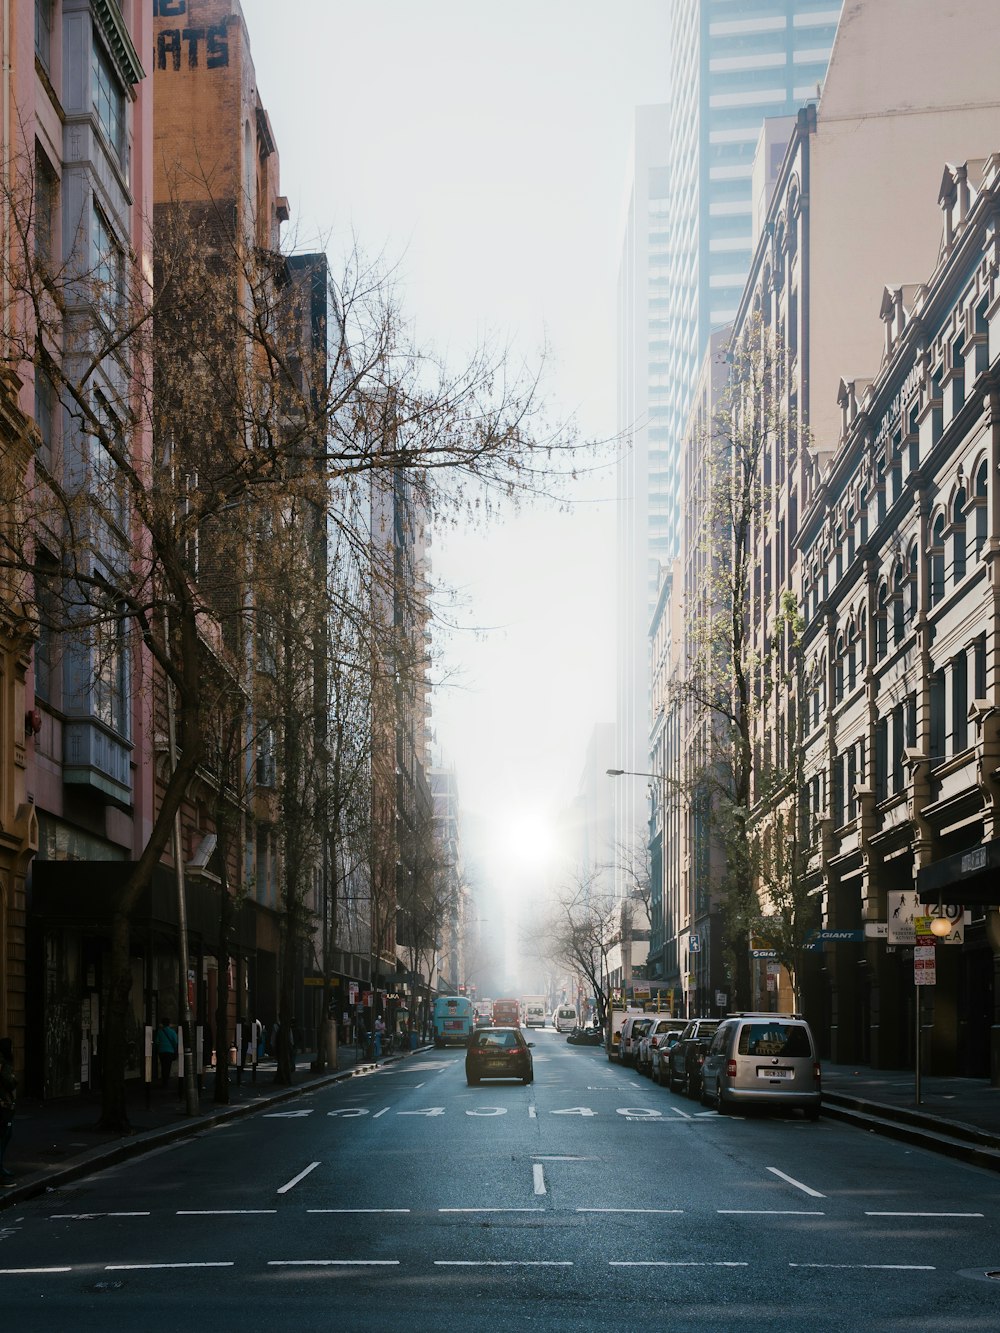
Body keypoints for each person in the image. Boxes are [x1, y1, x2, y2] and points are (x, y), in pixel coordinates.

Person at [0, 1037, 16, 1182]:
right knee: (5, 1134)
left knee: (6, 1134)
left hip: (5, 1104)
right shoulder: (4, 1064)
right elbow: (9, 1082)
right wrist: (14, 1080)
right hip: (4, 1105)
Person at [154, 1018, 178, 1087]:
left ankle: (163, 1080)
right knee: (168, 1066)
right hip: (170, 1051)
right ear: (169, 1024)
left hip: (161, 1051)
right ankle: (166, 1080)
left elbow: (157, 1042)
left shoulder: (159, 1032)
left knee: (163, 1065)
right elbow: (175, 1042)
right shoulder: (172, 1032)